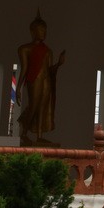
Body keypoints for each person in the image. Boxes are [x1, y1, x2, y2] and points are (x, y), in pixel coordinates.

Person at [16, 14, 64, 144]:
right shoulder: (25, 49)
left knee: (43, 107)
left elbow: (50, 70)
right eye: (41, 30)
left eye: (45, 30)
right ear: (33, 31)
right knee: (34, 105)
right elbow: (24, 68)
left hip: (46, 79)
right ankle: (24, 133)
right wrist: (18, 88)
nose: (44, 33)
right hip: (34, 79)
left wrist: (59, 63)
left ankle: (39, 135)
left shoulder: (48, 50)